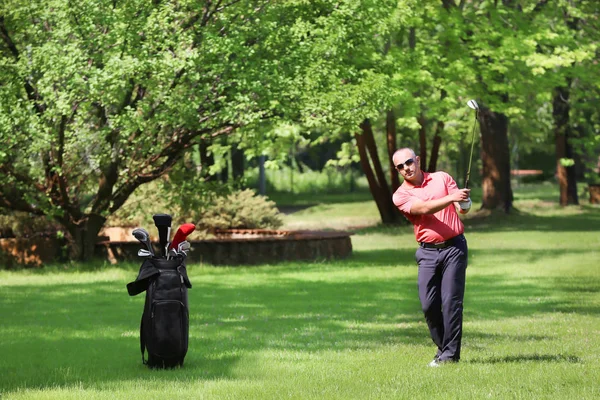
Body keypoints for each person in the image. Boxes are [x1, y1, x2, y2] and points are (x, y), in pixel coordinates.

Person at [391, 147, 471, 367]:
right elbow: (424, 208)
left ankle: (449, 356)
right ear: (397, 170)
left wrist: (464, 202)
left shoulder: (442, 178)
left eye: (408, 162)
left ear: (417, 160)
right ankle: (444, 348)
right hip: (427, 252)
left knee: (451, 302)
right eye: (400, 166)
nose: (406, 168)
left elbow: (461, 208)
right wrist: (452, 197)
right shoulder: (400, 195)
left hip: (454, 247)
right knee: (429, 305)